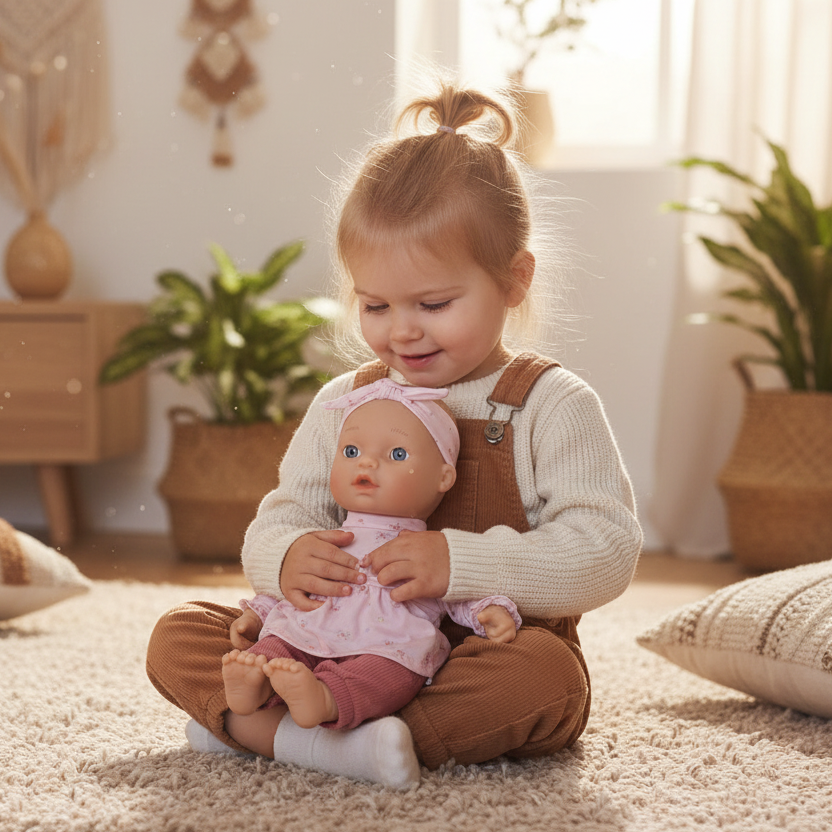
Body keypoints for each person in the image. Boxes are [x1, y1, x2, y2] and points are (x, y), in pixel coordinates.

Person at [146, 79, 642, 790]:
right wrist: (287, 557)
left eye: (434, 303)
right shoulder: (341, 403)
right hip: (328, 650)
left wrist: (458, 565)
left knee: (546, 682)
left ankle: (277, 731)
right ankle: (335, 733)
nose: (400, 329)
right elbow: (280, 517)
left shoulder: (549, 405)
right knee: (179, 634)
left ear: (514, 280)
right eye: (374, 303)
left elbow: (607, 553)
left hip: (476, 652)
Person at [221, 379, 520, 734]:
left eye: (397, 455)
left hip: (388, 644)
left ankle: (323, 700)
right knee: (244, 640)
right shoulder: (328, 534)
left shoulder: (429, 550)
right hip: (310, 628)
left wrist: (485, 610)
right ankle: (257, 683)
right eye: (350, 452)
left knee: (393, 674)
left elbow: (453, 593)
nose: (365, 463)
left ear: (444, 476)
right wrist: (259, 614)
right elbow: (298, 585)